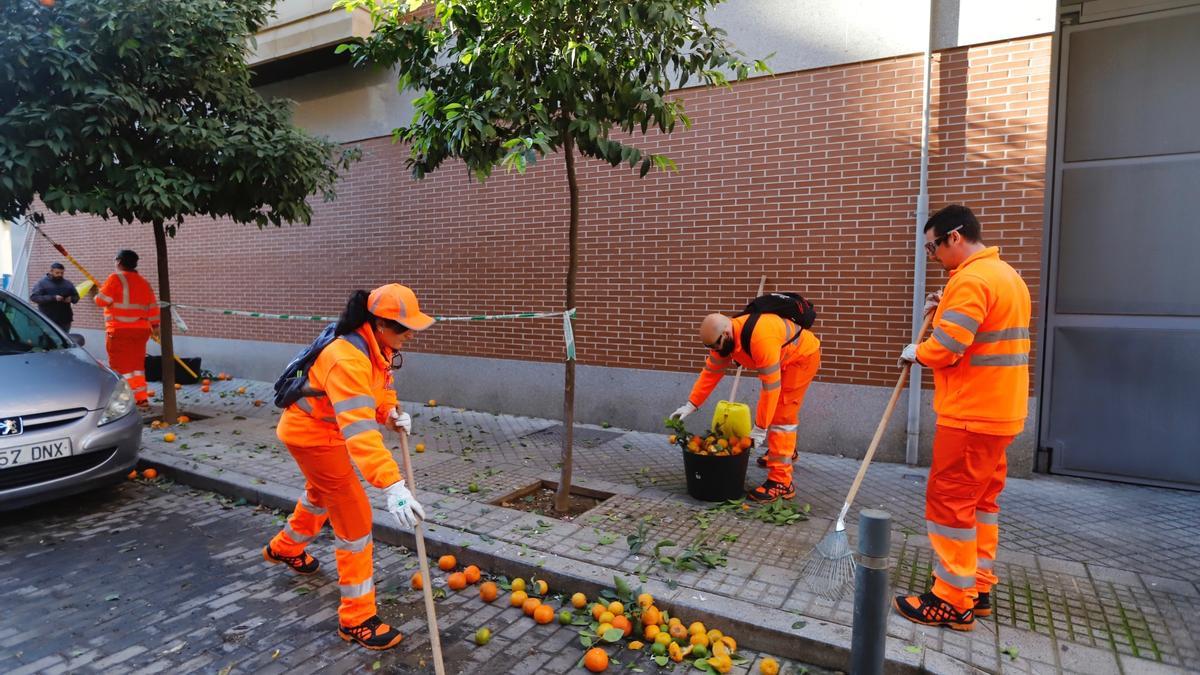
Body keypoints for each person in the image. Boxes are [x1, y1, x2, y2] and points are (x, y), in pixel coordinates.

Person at [263, 284, 433, 651]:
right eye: (404, 329)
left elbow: (380, 388)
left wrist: (390, 412)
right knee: (354, 518)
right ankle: (356, 619)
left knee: (321, 494)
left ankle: (286, 547)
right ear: (379, 323)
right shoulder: (347, 357)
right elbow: (359, 433)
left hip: (326, 434)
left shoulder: (378, 347)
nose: (409, 336)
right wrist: (393, 486)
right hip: (313, 437)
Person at [893, 205, 1031, 631]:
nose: (932, 255)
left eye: (933, 246)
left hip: (970, 414)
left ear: (955, 237)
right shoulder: (1006, 275)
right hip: (1000, 414)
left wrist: (918, 352)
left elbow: (949, 346)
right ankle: (978, 585)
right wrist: (944, 301)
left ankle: (951, 600)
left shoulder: (971, 280)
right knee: (982, 503)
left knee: (950, 502)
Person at [670, 310, 820, 502]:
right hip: (781, 354)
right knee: (776, 414)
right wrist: (692, 404)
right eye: (710, 347)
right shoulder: (724, 341)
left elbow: (770, 389)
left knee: (782, 417)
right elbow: (711, 372)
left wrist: (760, 428)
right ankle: (783, 451)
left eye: (716, 344)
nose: (715, 349)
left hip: (801, 358)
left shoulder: (760, 339)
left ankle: (781, 482)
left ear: (725, 334)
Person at [94, 250, 159, 407]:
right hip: (141, 331)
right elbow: (153, 308)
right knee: (137, 366)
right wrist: (155, 327)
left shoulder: (115, 278)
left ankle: (123, 401)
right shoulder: (144, 282)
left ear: (118, 261)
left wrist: (99, 292)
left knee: (121, 367)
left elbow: (101, 301)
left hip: (119, 331)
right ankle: (141, 398)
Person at [29, 262, 79, 331]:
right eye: (57, 273)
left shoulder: (68, 283)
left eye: (62, 273)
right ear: (51, 271)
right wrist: (53, 298)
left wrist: (71, 299)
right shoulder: (42, 283)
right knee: (50, 341)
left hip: (65, 320)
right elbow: (34, 297)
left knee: (65, 340)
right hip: (48, 320)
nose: (60, 275)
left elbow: (76, 297)